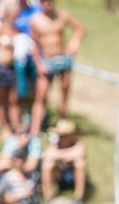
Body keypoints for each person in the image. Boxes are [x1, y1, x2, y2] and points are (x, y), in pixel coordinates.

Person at [27, 0, 85, 138]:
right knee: (41, 96)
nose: (47, 3)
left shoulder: (62, 16)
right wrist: (38, 63)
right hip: (47, 62)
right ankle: (35, 131)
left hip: (64, 59)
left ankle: (63, 128)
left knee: (64, 94)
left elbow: (81, 28)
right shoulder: (36, 20)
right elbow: (33, 43)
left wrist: (75, 42)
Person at [0, 0, 22, 140]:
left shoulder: (17, 30)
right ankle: (5, 127)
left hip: (13, 69)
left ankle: (15, 125)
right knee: (0, 100)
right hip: (1, 68)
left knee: (13, 99)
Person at [41, 118, 87, 202]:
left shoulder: (78, 145)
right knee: (47, 164)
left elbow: (80, 155)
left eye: (65, 136)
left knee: (80, 164)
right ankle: (48, 198)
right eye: (61, 136)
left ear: (71, 136)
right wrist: (67, 155)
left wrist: (59, 155)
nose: (62, 138)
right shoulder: (54, 145)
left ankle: (78, 197)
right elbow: (46, 155)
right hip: (60, 176)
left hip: (73, 176)